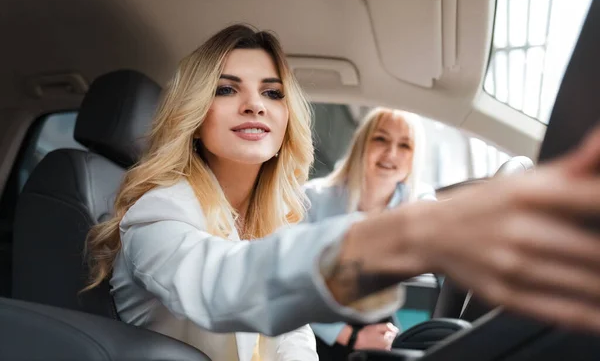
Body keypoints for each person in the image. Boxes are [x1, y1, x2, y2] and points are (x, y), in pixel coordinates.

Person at [83, 24, 600, 361]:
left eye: (271, 92)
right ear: (195, 116)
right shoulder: (157, 211)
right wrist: (410, 235)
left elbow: (290, 341)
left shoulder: (273, 219)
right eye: (226, 89)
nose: (254, 105)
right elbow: (222, 287)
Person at [305, 107, 433, 357]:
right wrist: (351, 336)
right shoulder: (312, 199)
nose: (391, 153)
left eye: (405, 145)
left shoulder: (418, 201)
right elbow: (292, 291)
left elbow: (437, 224)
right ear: (361, 145)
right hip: (316, 324)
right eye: (381, 139)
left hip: (373, 318)